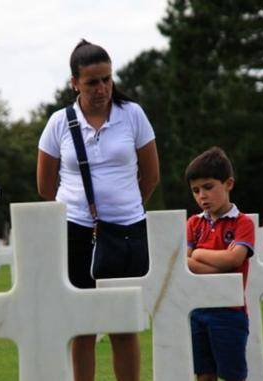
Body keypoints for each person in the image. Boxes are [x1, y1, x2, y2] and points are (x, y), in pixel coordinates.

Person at [37, 39, 160, 381]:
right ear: (74, 82)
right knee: (82, 323)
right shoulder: (59, 123)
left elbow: (150, 176)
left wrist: (126, 207)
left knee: (124, 323)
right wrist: (76, 212)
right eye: (92, 82)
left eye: (107, 79)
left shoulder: (132, 114)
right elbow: (45, 186)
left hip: (127, 231)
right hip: (76, 232)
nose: (102, 88)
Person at [184, 146, 254, 381]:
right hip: (198, 310)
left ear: (228, 184)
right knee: (204, 374)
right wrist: (219, 263)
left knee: (233, 375)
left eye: (208, 187)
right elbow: (185, 265)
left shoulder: (242, 223)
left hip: (229, 312)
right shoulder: (194, 224)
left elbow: (235, 260)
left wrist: (198, 254)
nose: (202, 195)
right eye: (195, 190)